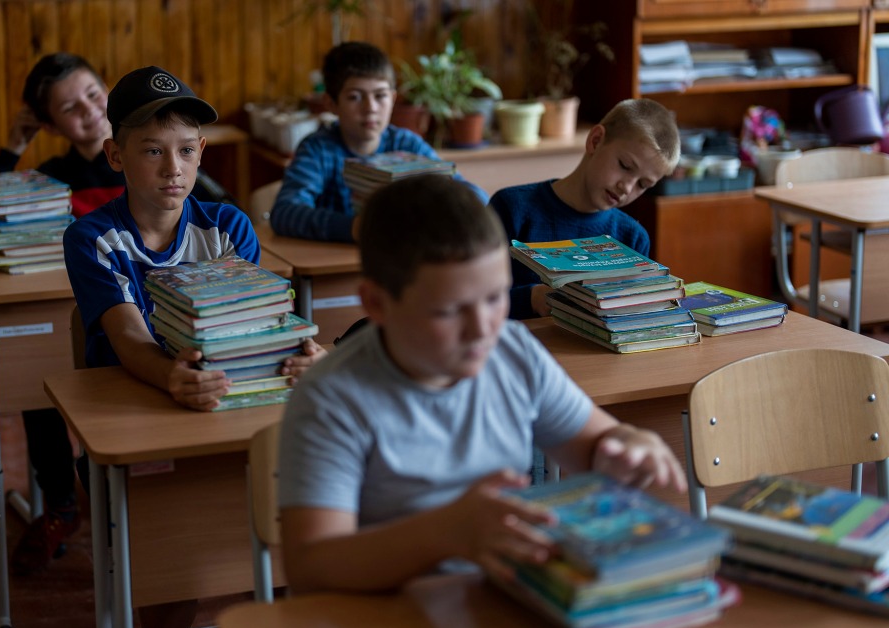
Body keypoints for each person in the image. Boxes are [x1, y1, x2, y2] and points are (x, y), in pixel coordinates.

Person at [277, 174, 687, 595]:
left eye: (495, 298)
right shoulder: (332, 398)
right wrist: (448, 532)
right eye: (450, 311)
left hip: (492, 603)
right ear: (376, 303)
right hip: (374, 625)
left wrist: (629, 445)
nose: (482, 330)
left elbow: (597, 444)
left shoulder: (513, 352)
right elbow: (312, 564)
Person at [63, 65, 324, 628]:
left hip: (230, 402)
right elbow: (127, 337)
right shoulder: (93, 238)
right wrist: (172, 376)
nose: (171, 168)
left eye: (185, 151)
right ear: (115, 156)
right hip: (140, 417)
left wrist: (297, 352)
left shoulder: (227, 226)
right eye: (151, 151)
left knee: (289, 498)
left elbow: (255, 324)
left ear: (202, 152)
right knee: (171, 535)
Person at [0, 52, 117, 576]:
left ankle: (102, 496)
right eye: (68, 106)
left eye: (92, 92)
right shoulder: (52, 179)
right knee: (36, 376)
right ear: (52, 124)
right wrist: (14, 148)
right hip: (67, 306)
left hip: (132, 310)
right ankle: (62, 500)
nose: (87, 109)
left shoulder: (148, 157)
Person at [269, 41, 488, 242]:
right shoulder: (317, 150)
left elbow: (469, 194)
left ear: (392, 99)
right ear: (331, 103)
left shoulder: (407, 144)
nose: (371, 108)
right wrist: (355, 227)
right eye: (355, 97)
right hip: (337, 268)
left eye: (380, 96)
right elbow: (285, 212)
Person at [489, 98, 680, 320]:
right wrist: (531, 298)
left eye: (643, 185)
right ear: (596, 141)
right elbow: (470, 300)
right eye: (625, 166)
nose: (627, 187)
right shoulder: (512, 209)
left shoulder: (632, 237)